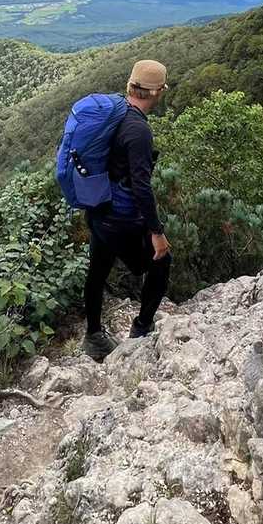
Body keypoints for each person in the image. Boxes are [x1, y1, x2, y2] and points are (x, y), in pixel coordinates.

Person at [81, 59, 171, 361]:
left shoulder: (114, 114)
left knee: (97, 271)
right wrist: (156, 232)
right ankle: (141, 329)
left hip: (98, 209)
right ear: (156, 92)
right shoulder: (138, 131)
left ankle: (94, 336)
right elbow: (141, 187)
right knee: (161, 261)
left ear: (131, 85)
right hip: (121, 219)